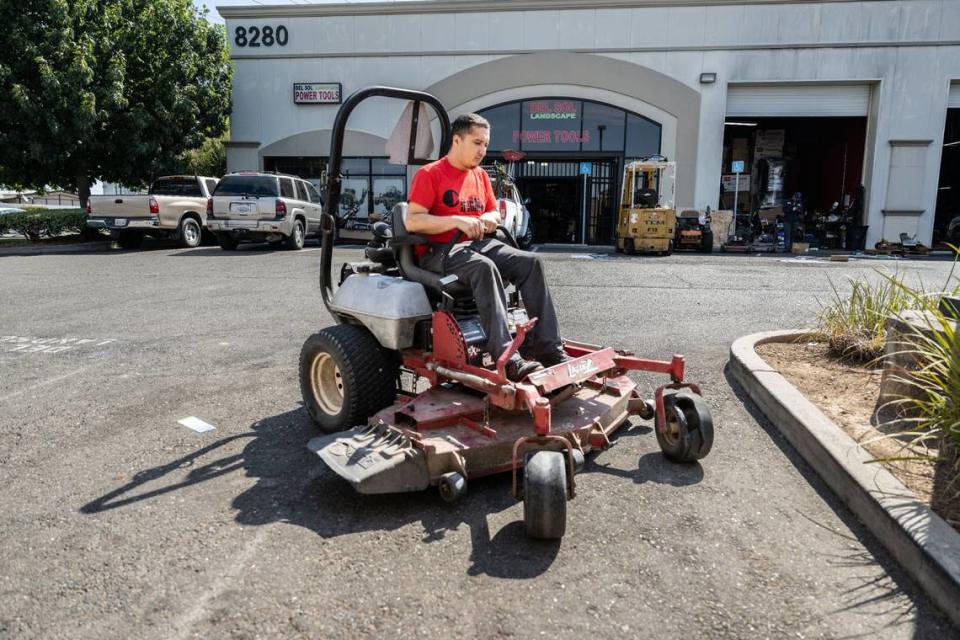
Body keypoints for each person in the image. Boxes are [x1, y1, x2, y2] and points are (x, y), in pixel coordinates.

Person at [405, 113, 569, 382]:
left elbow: (494, 213)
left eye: (485, 144)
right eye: (476, 143)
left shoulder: (480, 176)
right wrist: (457, 220)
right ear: (457, 141)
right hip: (440, 251)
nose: (483, 150)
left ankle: (548, 348)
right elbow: (413, 220)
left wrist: (488, 219)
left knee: (530, 263)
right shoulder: (430, 174)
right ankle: (508, 357)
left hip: (479, 243)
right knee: (484, 268)